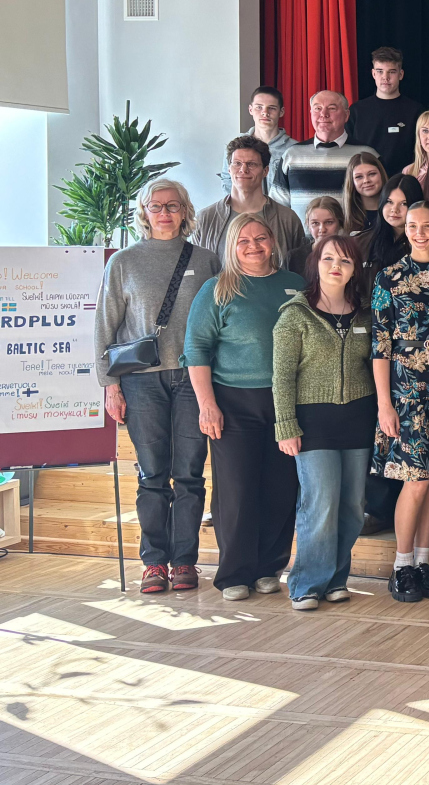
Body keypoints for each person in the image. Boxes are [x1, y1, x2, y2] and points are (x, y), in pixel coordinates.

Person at [95, 180, 221, 594]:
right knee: (152, 474)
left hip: (193, 380)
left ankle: (184, 560)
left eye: (172, 205)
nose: (164, 213)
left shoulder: (206, 260)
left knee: (189, 474)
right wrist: (110, 385)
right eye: (156, 206)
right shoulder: (124, 262)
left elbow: (220, 318)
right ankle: (153, 562)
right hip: (140, 381)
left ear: (185, 211)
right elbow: (104, 325)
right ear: (144, 213)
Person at [183, 213, 305, 601]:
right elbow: (195, 349)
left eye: (261, 238)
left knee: (281, 488)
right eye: (244, 241)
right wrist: (207, 405)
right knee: (237, 490)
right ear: (232, 247)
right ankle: (234, 573)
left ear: (273, 241)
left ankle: (269, 567)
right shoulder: (217, 289)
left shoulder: (296, 285)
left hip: (288, 402)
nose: (254, 246)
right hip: (233, 402)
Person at [272, 233, 377, 610]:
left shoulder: (365, 313)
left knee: (352, 507)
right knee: (320, 504)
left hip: (358, 421)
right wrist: (285, 425)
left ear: (354, 270)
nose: (337, 266)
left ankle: (336, 579)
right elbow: (281, 376)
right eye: (329, 258)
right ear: (316, 263)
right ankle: (306, 584)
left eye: (345, 261)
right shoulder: (295, 315)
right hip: (313, 424)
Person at [372, 201, 429, 604]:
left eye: (427, 226)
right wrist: (384, 405)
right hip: (405, 396)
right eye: (412, 226)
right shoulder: (388, 278)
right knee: (417, 478)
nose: (419, 233)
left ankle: (423, 562)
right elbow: (380, 347)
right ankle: (401, 566)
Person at [271, 90, 380, 220]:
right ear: (311, 113)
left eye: (332, 108)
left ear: (346, 115)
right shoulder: (291, 155)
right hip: (300, 234)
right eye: (317, 108)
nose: (323, 114)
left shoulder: (366, 155)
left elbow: (381, 203)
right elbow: (277, 209)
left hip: (354, 233)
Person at [195, 135, 306, 261]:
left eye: (251, 164)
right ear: (229, 169)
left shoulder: (288, 219)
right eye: (237, 163)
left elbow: (298, 266)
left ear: (265, 171)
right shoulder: (204, 219)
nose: (243, 169)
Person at [348, 46, 423, 175]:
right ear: (373, 74)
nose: (385, 77)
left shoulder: (415, 111)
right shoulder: (356, 111)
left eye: (391, 72)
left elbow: (422, 151)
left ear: (401, 74)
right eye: (380, 71)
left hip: (403, 181)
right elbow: (348, 150)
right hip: (366, 181)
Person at [225, 84, 297, 191]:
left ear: (281, 112)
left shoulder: (294, 149)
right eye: (259, 107)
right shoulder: (236, 146)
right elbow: (227, 180)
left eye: (271, 108)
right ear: (250, 109)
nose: (265, 113)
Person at [361, 174, 423, 281]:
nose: (395, 209)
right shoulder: (361, 242)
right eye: (389, 202)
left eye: (404, 204)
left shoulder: (427, 243)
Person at [286, 195, 346, 281]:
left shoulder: (349, 256)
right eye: (315, 223)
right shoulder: (294, 258)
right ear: (308, 225)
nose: (322, 229)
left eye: (329, 222)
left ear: (340, 223)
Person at [342, 151, 388, 237]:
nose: (366, 180)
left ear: (381, 174)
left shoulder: (394, 211)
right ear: (352, 182)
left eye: (372, 174)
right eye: (359, 177)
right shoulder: (344, 216)